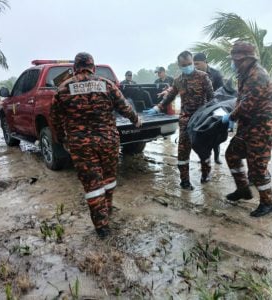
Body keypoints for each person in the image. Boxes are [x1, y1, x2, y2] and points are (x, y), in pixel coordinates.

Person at [50, 52, 141, 238]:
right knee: (109, 178)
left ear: (75, 67)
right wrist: (136, 120)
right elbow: (125, 107)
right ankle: (107, 209)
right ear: (93, 66)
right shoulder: (106, 84)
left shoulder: (62, 89)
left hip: (81, 144)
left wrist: (62, 139)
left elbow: (55, 120)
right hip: (108, 140)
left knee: (93, 185)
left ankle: (102, 227)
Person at [222, 41, 272, 217]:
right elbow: (240, 99)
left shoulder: (257, 76)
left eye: (238, 60)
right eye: (234, 60)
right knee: (232, 154)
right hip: (247, 127)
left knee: (257, 169)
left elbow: (248, 104)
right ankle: (243, 189)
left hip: (261, 128)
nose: (235, 63)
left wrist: (230, 117)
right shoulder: (244, 74)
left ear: (248, 59)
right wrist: (234, 116)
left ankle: (268, 203)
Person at [144, 51, 214, 190]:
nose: (187, 66)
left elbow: (212, 99)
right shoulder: (178, 81)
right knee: (183, 151)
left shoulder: (203, 77)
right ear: (179, 65)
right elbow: (170, 96)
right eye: (184, 65)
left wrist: (215, 116)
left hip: (201, 120)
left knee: (204, 149)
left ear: (192, 62)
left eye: (189, 64)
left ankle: (205, 174)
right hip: (185, 120)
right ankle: (184, 181)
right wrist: (157, 108)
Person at [193, 52, 225, 164]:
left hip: (215, 107)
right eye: (194, 64)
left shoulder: (216, 74)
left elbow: (222, 91)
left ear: (205, 62)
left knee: (215, 132)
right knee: (202, 133)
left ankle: (216, 157)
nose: (195, 66)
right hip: (201, 108)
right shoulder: (194, 74)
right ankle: (203, 156)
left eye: (197, 64)